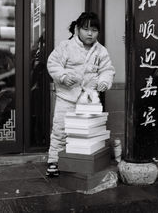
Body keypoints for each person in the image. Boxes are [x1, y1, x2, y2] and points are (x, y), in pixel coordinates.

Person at [46, 12, 115, 177]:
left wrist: (104, 82)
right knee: (60, 129)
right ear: (77, 29)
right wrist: (63, 76)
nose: (90, 33)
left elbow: (107, 70)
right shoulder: (66, 46)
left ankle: (81, 162)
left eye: (94, 30)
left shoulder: (101, 51)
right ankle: (54, 161)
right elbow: (53, 63)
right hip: (67, 98)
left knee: (87, 131)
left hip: (89, 100)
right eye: (86, 29)